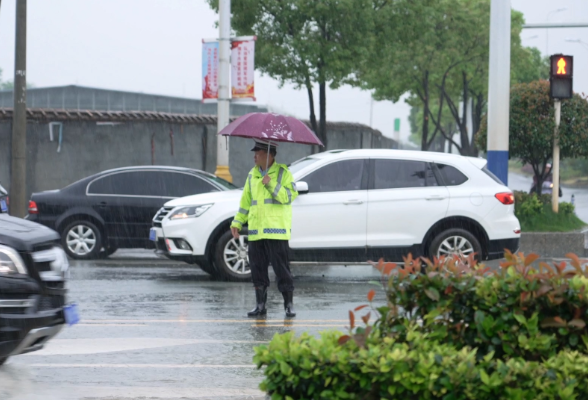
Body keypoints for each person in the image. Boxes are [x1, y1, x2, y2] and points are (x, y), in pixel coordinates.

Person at [230, 139, 299, 318]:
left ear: (269, 155)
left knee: (282, 270)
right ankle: (260, 305)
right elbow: (245, 202)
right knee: (257, 269)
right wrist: (237, 222)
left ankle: (288, 304)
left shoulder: (283, 173)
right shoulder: (252, 175)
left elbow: (289, 196)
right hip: (256, 231)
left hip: (276, 231)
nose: (254, 156)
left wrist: (271, 184)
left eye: (258, 153)